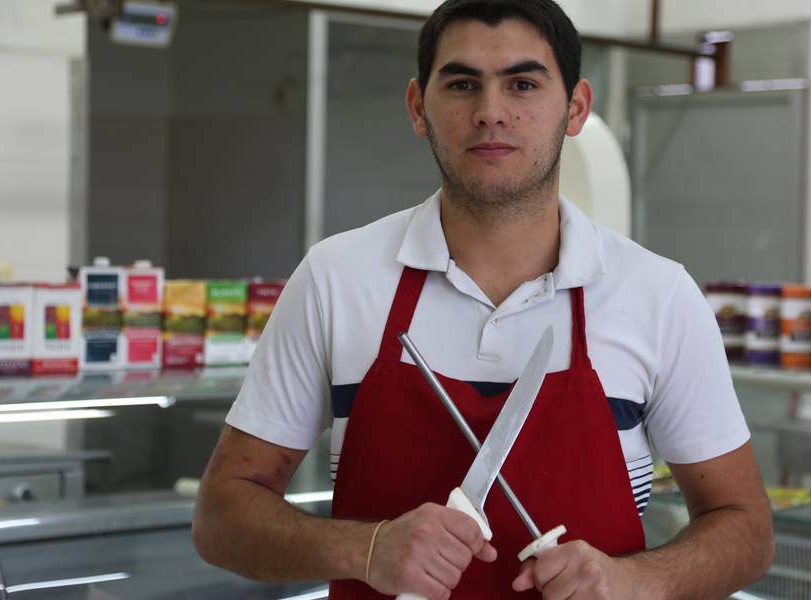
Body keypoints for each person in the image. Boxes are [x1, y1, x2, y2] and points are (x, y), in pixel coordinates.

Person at [192, 0, 775, 598]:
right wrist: (363, 548)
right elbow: (221, 517)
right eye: (462, 84)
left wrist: (634, 580)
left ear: (574, 109)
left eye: (523, 84)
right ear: (420, 108)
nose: (490, 113)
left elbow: (746, 529)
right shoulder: (335, 278)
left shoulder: (658, 294)